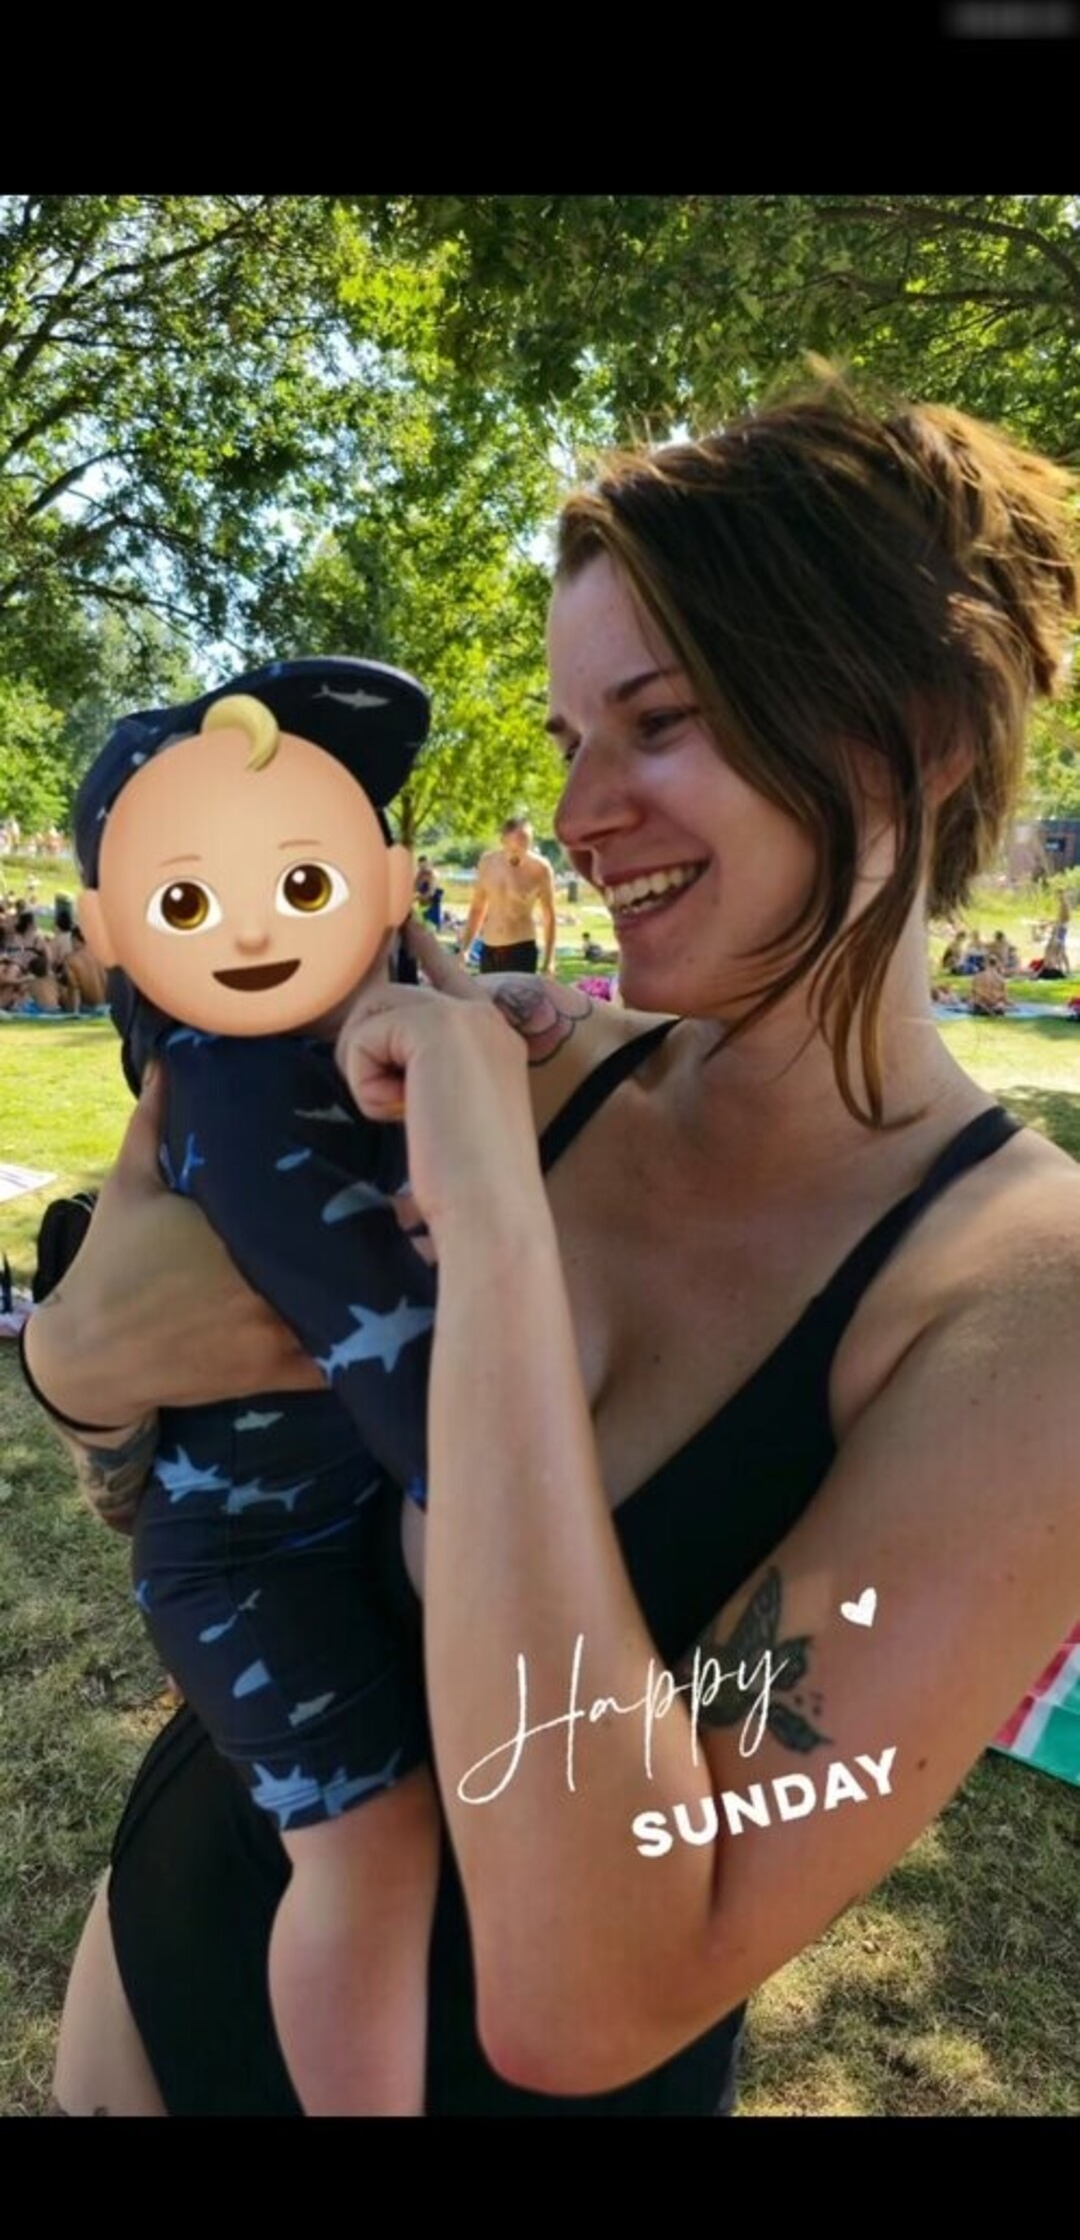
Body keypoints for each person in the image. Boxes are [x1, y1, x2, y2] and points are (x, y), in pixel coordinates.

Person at [34, 378, 1080, 2117]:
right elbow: (171, 1427)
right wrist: (77, 1368)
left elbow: (590, 1998)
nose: (579, 812)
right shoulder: (508, 1058)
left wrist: (500, 1243)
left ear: (910, 733)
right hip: (153, 1982)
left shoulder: (1023, 1303)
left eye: (655, 721)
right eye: (570, 737)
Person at [58, 657, 446, 2117]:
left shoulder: (331, 1042)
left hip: (305, 1531)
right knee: (373, 1847)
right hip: (253, 1556)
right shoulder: (238, 1080)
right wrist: (483, 1486)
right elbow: (368, 1321)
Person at [460, 815, 557, 975]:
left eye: (525, 847)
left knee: (517, 992)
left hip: (521, 949)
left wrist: (549, 959)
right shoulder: (487, 863)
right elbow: (477, 909)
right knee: (487, 992)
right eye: (514, 850)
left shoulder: (541, 869)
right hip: (489, 948)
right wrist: (465, 948)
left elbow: (549, 916)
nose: (519, 855)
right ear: (503, 841)